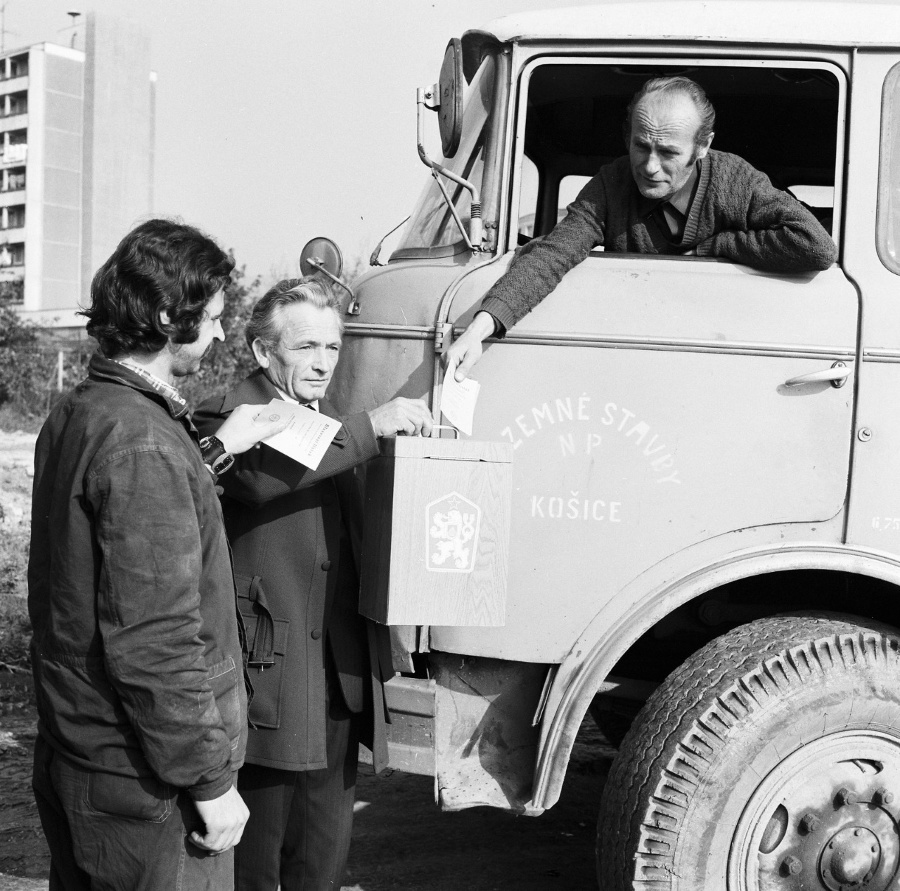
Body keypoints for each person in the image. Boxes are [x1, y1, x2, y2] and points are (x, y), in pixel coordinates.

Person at [28, 219, 290, 890]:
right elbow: (154, 638)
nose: (222, 333)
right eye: (211, 318)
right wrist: (208, 780)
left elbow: (122, 535)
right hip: (144, 783)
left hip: (88, 756)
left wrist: (218, 447)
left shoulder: (87, 409)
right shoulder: (141, 443)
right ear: (169, 315)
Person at [193, 277, 433, 891]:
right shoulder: (227, 415)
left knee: (322, 864)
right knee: (256, 868)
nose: (324, 362)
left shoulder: (328, 421)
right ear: (261, 353)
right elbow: (263, 475)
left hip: (337, 680)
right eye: (305, 347)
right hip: (267, 686)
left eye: (333, 346)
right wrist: (371, 425)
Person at [446, 75, 838, 380]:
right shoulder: (609, 185)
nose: (649, 167)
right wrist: (481, 327)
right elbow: (555, 252)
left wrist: (719, 246)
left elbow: (816, 247)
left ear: (703, 147)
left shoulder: (734, 180)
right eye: (640, 146)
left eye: (668, 152)